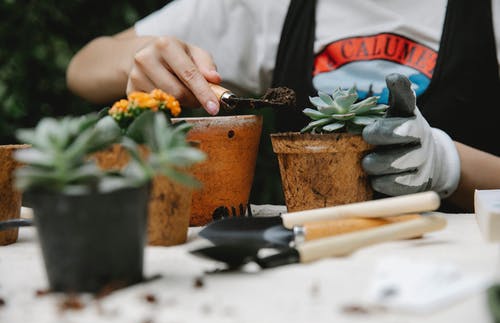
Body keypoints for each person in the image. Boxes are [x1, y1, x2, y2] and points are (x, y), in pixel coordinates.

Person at [66, 0, 500, 212]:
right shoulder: (269, 6)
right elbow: (85, 67)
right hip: (305, 270)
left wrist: (446, 164)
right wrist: (143, 57)